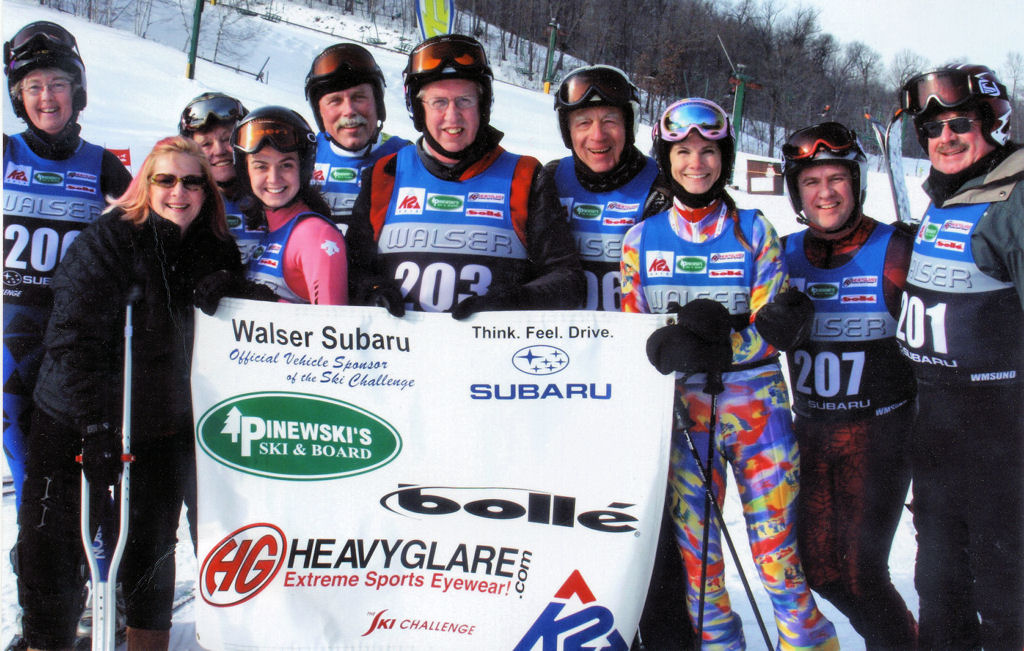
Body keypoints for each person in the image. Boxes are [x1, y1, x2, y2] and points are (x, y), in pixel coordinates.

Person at [622, 97, 838, 650]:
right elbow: (633, 335)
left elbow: (772, 327)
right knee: (700, 573)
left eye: (709, 151)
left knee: (779, 563)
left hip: (759, 413)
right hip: (682, 420)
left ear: (725, 158)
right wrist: (664, 348)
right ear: (666, 159)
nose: (697, 163)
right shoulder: (640, 240)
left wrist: (718, 346)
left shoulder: (753, 230)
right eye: (683, 152)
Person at [17, 136, 242, 650]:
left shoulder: (214, 247)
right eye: (166, 179)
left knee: (151, 548)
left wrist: (237, 290)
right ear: (146, 184)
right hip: (75, 416)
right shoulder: (109, 239)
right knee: (52, 551)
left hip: (159, 424)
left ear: (207, 191)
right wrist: (94, 424)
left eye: (192, 182)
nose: (179, 192)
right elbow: (71, 338)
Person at [546, 64, 691, 649]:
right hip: (568, 383)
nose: (598, 135)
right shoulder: (548, 181)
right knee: (578, 523)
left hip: (648, 385)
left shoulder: (667, 182)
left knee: (653, 532)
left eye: (610, 120)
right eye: (583, 122)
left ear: (630, 124)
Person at [765, 121, 917, 647]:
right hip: (810, 430)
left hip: (880, 434)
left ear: (857, 183)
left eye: (836, 179)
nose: (825, 193)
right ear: (796, 191)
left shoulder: (895, 249)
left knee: (859, 573)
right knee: (817, 567)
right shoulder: (782, 254)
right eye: (811, 181)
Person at [897, 63, 1023, 649]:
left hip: (1002, 433)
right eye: (932, 129)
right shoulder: (948, 196)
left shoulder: (1013, 199)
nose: (944, 138)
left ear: (993, 124)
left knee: (1004, 594)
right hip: (941, 428)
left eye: (960, 124)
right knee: (939, 586)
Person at [347, 34, 583, 316]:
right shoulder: (386, 175)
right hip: (402, 343)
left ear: (482, 106)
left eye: (464, 100)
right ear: (418, 109)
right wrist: (371, 290)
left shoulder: (525, 176)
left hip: (492, 342)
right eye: (438, 102)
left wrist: (515, 301)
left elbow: (567, 280)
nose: (452, 116)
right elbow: (351, 270)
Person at [2, 21, 132, 509]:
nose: (47, 97)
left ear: (77, 92)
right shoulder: (6, 152)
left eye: (58, 83)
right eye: (33, 86)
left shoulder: (102, 165)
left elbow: (145, 238)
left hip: (76, 339)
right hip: (12, 334)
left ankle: (92, 541)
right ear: (18, 97)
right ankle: (30, 540)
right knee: (21, 449)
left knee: (78, 455)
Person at [233, 106, 348, 305]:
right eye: (261, 166)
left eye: (286, 165)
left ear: (302, 169)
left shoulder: (315, 234)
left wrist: (271, 303)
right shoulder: (273, 230)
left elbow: (332, 322)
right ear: (246, 172)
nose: (274, 178)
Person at [305, 42, 410, 233]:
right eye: (335, 101)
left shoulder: (407, 157)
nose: (349, 111)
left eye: (359, 97)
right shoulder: (302, 154)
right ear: (319, 113)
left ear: (377, 104)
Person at [179, 91, 263, 263]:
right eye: (206, 144)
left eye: (227, 139)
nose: (219, 151)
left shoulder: (274, 192)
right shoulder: (182, 203)